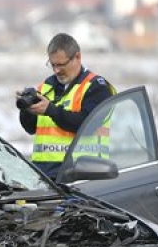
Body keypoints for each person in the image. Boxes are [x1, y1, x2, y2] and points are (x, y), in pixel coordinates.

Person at [17, 33, 116, 179]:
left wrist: (50, 110)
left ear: (77, 57)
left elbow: (86, 125)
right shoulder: (47, 86)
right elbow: (31, 128)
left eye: (61, 65)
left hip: (84, 173)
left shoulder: (97, 87)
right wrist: (26, 110)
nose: (56, 70)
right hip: (45, 175)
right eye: (53, 64)